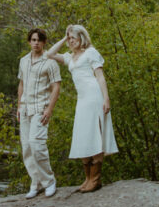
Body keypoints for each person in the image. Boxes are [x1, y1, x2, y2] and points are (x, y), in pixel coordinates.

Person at [45, 24, 117, 192]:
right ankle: (88, 179)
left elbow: (100, 77)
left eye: (73, 37)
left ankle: (95, 179)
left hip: (94, 97)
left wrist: (106, 98)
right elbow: (50, 54)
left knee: (95, 134)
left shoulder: (91, 53)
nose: (71, 41)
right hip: (82, 100)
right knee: (83, 135)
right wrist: (64, 36)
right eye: (69, 38)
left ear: (81, 37)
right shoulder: (69, 57)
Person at [16, 28, 62, 199]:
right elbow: (21, 84)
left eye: (39, 40)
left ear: (44, 43)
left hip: (41, 109)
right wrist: (19, 106)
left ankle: (49, 182)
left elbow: (56, 87)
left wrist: (49, 110)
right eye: (33, 40)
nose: (36, 43)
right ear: (29, 41)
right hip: (25, 108)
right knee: (27, 148)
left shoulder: (50, 63)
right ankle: (35, 183)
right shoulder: (23, 61)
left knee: (37, 144)